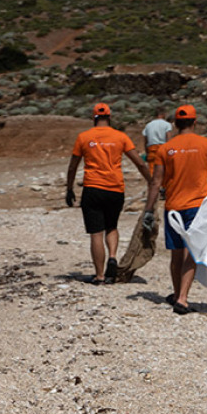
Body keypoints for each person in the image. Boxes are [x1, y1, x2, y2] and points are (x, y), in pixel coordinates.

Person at [142, 104, 207, 314]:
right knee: (193, 251)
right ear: (195, 122)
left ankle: (176, 293)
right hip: (197, 208)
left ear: (174, 124)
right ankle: (182, 298)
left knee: (176, 253)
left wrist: (148, 210)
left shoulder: (166, 148)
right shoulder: (206, 144)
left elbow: (156, 182)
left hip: (173, 207)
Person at [65, 102, 154, 284]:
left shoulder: (84, 137)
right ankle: (112, 257)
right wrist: (152, 181)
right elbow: (139, 162)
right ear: (110, 117)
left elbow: (73, 165)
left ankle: (99, 276)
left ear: (94, 118)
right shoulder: (120, 137)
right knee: (111, 226)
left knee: (96, 233)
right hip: (115, 189)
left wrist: (69, 188)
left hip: (93, 188)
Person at [141, 107, 173, 179]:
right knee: (165, 169)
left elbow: (145, 141)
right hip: (163, 148)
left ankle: (154, 186)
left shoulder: (148, 125)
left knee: (152, 171)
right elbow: (168, 138)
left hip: (151, 149)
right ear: (163, 114)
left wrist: (147, 152)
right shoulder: (167, 124)